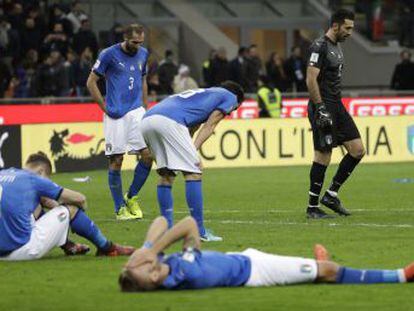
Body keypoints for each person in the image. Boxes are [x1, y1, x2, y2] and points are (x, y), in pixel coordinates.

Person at [118, 216, 414, 291]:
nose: (149, 266)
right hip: (258, 273)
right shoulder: (187, 272)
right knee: (330, 272)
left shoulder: (169, 266)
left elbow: (160, 222)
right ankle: (401, 276)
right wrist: (153, 252)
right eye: (145, 269)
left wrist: (146, 249)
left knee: (318, 270)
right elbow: (189, 224)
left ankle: (315, 265)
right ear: (154, 275)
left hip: (245, 256)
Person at [140, 81, 244, 242]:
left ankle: (166, 227)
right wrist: (192, 153)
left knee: (167, 174)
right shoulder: (230, 97)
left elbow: (192, 128)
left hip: (148, 120)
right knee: (194, 172)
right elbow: (209, 126)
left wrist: (185, 151)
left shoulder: (205, 94)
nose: (229, 112)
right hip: (169, 122)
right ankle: (199, 231)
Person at [0, 152, 135, 261]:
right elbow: (80, 199)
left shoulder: (4, 173)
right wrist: (76, 215)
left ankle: (69, 245)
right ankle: (107, 248)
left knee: (34, 207)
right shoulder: (33, 179)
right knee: (71, 209)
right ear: (41, 172)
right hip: (19, 251)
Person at [86, 24, 153, 221]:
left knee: (148, 156)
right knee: (116, 161)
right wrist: (104, 107)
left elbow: (143, 80)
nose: (138, 46)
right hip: (116, 114)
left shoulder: (143, 53)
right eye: (134, 42)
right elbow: (91, 82)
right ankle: (119, 209)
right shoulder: (108, 54)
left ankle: (131, 197)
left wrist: (145, 108)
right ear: (125, 37)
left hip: (137, 112)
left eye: (141, 42)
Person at [305, 9, 365, 219]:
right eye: (347, 28)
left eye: (351, 28)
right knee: (324, 154)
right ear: (335, 25)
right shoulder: (319, 46)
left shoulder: (337, 47)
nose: (350, 32)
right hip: (323, 105)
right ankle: (312, 207)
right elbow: (311, 79)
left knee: (357, 150)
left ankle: (331, 194)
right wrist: (320, 107)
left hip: (337, 105)